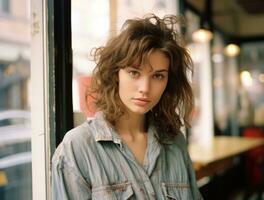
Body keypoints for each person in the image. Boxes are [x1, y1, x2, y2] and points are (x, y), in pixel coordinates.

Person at [52, 14, 203, 200]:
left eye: (158, 76)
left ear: (168, 82)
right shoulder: (77, 148)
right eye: (134, 72)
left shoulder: (175, 142)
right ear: (116, 74)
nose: (145, 89)